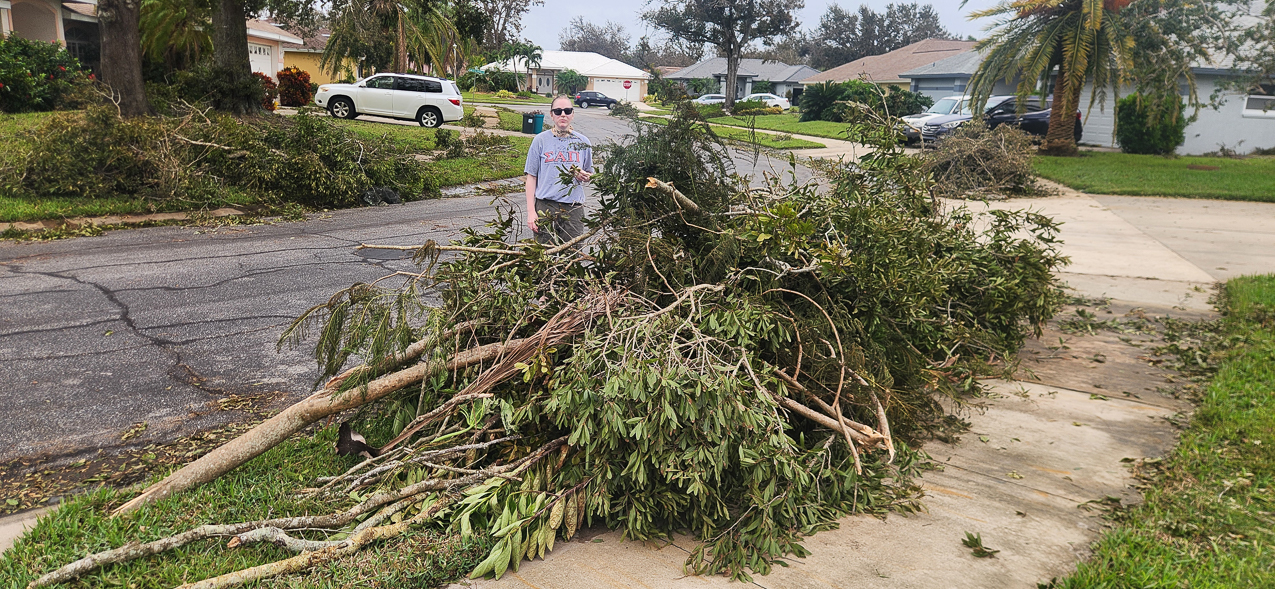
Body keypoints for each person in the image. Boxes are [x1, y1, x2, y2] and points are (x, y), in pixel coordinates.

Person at [524, 95, 593, 246]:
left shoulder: (583, 142)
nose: (563, 114)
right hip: (545, 206)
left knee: (572, 255)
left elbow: (590, 174)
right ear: (551, 114)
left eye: (567, 111)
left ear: (572, 114)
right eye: (558, 111)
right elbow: (531, 177)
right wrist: (531, 212)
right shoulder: (540, 141)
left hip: (573, 208)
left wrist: (585, 176)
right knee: (544, 254)